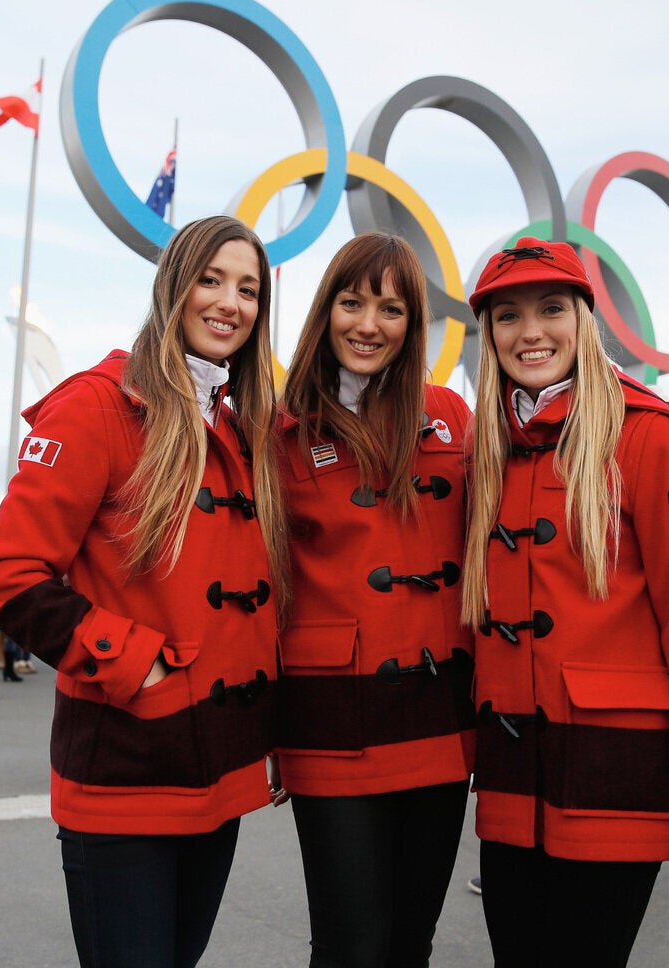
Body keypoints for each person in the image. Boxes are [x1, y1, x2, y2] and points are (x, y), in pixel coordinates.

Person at [0, 216, 289, 968]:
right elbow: (7, 576)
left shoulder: (243, 431)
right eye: (211, 279)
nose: (229, 302)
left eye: (248, 289)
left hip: (218, 773)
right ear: (172, 288)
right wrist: (135, 667)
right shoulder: (96, 405)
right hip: (126, 769)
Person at [461, 238, 669, 967]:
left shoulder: (651, 440)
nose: (529, 331)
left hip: (614, 784)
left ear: (584, 320)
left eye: (550, 310)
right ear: (488, 334)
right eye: (507, 316)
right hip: (509, 796)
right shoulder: (487, 452)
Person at [274, 232, 475, 966]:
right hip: (331, 728)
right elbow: (260, 585)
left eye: (390, 308)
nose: (368, 323)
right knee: (350, 947)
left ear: (411, 323)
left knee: (409, 943)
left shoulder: (452, 415)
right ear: (325, 310)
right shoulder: (276, 431)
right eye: (351, 301)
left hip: (438, 722)